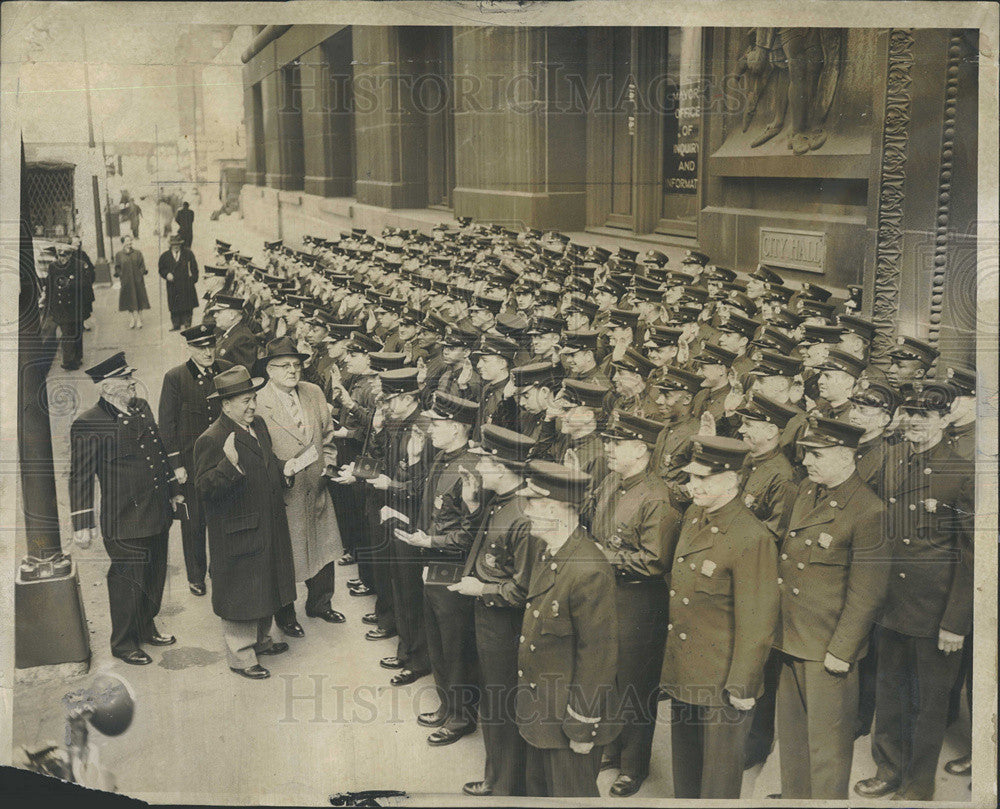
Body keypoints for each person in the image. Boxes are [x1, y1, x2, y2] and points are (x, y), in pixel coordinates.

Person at [854, 385, 974, 801]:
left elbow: (972, 555)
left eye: (926, 414)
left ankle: (918, 785)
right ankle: (888, 768)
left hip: (933, 608)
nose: (916, 421)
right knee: (889, 693)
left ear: (944, 418)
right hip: (892, 603)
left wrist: (956, 622)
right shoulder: (892, 459)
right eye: (910, 413)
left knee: (927, 704)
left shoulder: (962, 472)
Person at [774, 416, 889, 799]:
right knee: (792, 739)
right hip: (791, 635)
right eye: (807, 452)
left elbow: (867, 592)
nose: (807, 460)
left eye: (816, 454)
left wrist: (842, 650)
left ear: (845, 456)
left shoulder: (868, 510)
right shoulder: (808, 490)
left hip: (827, 648)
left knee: (827, 748)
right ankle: (795, 798)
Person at [662, 436, 780, 798]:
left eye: (704, 479)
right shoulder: (696, 515)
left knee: (718, 779)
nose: (693, 486)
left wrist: (742, 685)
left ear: (731, 481)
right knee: (686, 766)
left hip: (721, 680)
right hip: (687, 667)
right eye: (691, 478)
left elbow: (758, 620)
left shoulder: (750, 536)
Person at [586, 412, 681, 797]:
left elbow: (656, 560)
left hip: (640, 602)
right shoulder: (614, 481)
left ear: (641, 449)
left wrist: (602, 557)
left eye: (616, 443)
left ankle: (634, 764)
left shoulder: (657, 496)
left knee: (636, 685)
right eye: (608, 442)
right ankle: (612, 744)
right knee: (609, 676)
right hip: (609, 596)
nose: (608, 449)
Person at [516, 460, 621, 798]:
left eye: (532, 503)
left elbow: (598, 656)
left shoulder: (588, 569)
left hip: (567, 719)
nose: (526, 511)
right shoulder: (551, 552)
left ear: (555, 510)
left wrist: (581, 726)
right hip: (541, 711)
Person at [70, 352, 181, 664]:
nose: (133, 382)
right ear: (107, 386)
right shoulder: (89, 423)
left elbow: (158, 451)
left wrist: (174, 491)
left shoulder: (141, 408)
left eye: (130, 376)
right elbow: (80, 475)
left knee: (154, 576)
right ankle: (123, 642)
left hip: (156, 511)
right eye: (125, 378)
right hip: (124, 520)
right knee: (128, 583)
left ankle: (146, 626)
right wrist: (82, 523)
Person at [450, 425, 540, 797]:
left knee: (501, 703)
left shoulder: (523, 515)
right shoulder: (500, 500)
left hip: (505, 623)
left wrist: (482, 588)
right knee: (494, 698)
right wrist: (472, 504)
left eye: (485, 461)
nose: (479, 467)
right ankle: (499, 773)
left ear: (502, 468)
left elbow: (525, 588)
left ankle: (503, 783)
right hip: (488, 617)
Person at [193, 366, 298, 680]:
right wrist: (229, 465)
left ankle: (261, 641)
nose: (252, 406)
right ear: (226, 405)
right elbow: (203, 489)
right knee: (241, 592)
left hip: (267, 523)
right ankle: (241, 657)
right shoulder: (212, 439)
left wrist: (285, 468)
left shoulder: (259, 425)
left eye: (253, 398)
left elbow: (266, 463)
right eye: (244, 402)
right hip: (237, 531)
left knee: (266, 584)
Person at [393, 393, 481, 746]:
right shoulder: (443, 459)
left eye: (437, 423)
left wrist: (428, 543)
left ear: (457, 428)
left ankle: (461, 717)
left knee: (456, 646)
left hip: (454, 571)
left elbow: (470, 533)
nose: (430, 429)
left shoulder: (469, 468)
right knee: (439, 642)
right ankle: (448, 705)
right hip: (433, 567)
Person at [254, 337, 344, 636]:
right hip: (285, 492)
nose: (293, 371)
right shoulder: (259, 402)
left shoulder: (313, 392)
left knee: (323, 547)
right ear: (269, 369)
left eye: (296, 365)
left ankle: (320, 603)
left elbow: (328, 435)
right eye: (284, 366)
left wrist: (328, 468)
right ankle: (286, 615)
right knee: (286, 556)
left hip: (316, 487)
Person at [158, 324, 233, 596]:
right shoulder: (176, 378)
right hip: (191, 465)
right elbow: (166, 425)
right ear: (189, 349)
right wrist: (176, 465)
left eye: (210, 346)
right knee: (194, 522)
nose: (207, 352)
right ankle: (196, 575)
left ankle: (221, 569)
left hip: (226, 459)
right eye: (200, 348)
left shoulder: (226, 370)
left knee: (224, 516)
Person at [43, 241, 88, 371]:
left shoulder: (79, 265)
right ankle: (68, 361)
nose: (63, 259)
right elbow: (50, 287)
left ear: (70, 255)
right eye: (60, 256)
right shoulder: (53, 267)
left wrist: (70, 283)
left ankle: (78, 357)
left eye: (65, 255)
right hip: (61, 307)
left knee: (77, 332)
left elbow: (85, 284)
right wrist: (49, 305)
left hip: (76, 306)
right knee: (67, 333)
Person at [158, 234, 200, 331]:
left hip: (186, 284)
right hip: (172, 284)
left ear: (181, 244)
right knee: (174, 304)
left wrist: (193, 279)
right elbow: (161, 269)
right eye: (174, 244)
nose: (176, 246)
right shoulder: (165, 256)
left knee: (187, 304)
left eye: (178, 244)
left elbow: (194, 268)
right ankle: (176, 324)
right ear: (171, 245)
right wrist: (166, 274)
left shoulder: (188, 254)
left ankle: (187, 323)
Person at [211, 295, 260, 371]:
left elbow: (244, 373)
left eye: (218, 312)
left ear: (232, 315)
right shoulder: (229, 333)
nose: (215, 315)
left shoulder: (242, 338)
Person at [113, 235, 150, 329]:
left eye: (130, 241)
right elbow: (117, 267)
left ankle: (138, 320)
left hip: (137, 281)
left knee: (138, 299)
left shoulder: (138, 253)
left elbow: (142, 266)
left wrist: (139, 274)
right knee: (128, 301)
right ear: (123, 243)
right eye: (127, 241)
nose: (129, 243)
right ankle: (132, 319)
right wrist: (121, 275)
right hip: (126, 281)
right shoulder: (119, 255)